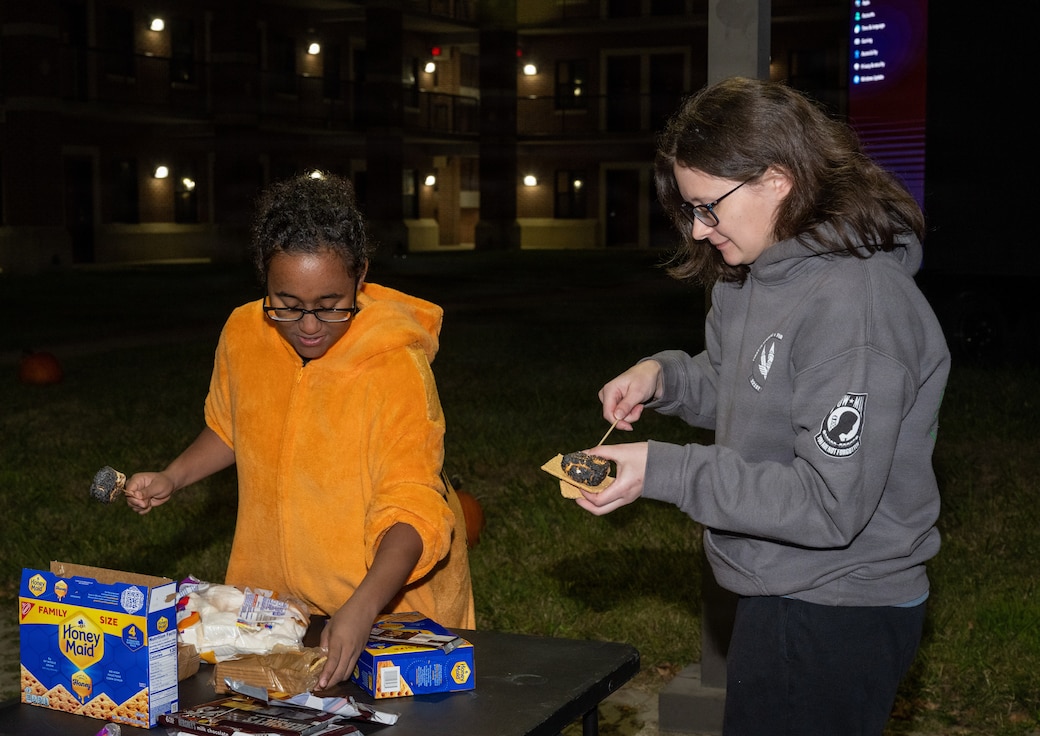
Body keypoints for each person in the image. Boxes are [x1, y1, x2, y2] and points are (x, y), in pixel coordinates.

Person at [576, 77, 950, 735]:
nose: (698, 227)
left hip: (840, 603)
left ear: (776, 179)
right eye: (689, 209)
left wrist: (664, 472)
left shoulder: (854, 303)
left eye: (708, 206)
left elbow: (828, 504)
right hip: (776, 582)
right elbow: (739, 387)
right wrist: (661, 378)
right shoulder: (751, 277)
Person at [123, 172, 475, 689]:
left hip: (389, 610)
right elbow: (232, 426)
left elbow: (414, 509)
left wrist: (361, 608)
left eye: (331, 304)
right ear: (263, 280)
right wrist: (173, 477)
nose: (309, 325)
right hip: (280, 612)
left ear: (361, 278)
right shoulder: (243, 334)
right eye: (286, 304)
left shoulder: (395, 367)